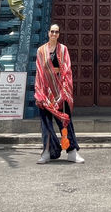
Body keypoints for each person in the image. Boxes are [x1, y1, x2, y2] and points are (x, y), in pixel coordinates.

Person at [34, 24, 84, 164]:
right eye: (52, 31)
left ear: (59, 34)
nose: (54, 34)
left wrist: (63, 92)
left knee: (65, 122)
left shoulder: (63, 49)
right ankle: (47, 152)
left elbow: (66, 70)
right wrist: (39, 93)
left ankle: (72, 152)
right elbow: (39, 72)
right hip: (45, 92)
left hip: (60, 91)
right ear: (48, 33)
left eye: (56, 32)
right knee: (46, 124)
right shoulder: (41, 50)